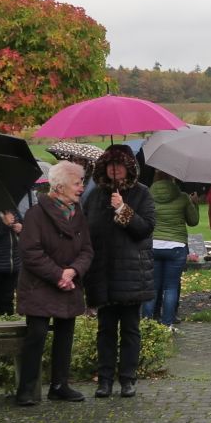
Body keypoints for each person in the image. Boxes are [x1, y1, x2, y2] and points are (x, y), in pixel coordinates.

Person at [16, 160, 93, 406]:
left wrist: (73, 272)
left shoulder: (77, 213)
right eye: (77, 183)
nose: (81, 187)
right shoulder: (36, 214)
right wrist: (58, 275)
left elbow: (87, 250)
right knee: (36, 335)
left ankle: (60, 385)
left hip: (68, 283)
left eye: (81, 183)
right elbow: (31, 253)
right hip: (40, 285)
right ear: (59, 187)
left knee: (65, 334)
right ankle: (26, 389)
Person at [83, 145, 156, 395]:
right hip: (102, 271)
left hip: (131, 273)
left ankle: (127, 378)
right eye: (110, 164)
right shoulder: (94, 196)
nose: (114, 169)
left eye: (119, 164)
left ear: (129, 167)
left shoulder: (142, 194)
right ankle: (104, 379)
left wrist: (123, 210)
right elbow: (86, 230)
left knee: (130, 329)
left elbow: (145, 228)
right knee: (105, 329)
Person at [145, 173, 198, 329]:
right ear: (172, 178)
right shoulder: (182, 197)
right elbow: (193, 221)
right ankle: (167, 323)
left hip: (154, 244)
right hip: (176, 246)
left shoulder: (147, 195)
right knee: (171, 287)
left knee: (152, 287)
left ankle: (146, 323)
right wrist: (194, 204)